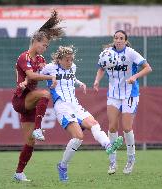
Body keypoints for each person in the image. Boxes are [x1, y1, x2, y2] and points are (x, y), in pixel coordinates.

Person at [41, 45, 123, 182]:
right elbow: (35, 75)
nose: (70, 62)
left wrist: (79, 83)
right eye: (67, 60)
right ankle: (62, 166)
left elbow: (71, 78)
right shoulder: (49, 68)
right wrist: (48, 82)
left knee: (94, 124)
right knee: (78, 137)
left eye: (71, 60)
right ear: (59, 59)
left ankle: (108, 145)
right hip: (62, 106)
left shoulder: (72, 67)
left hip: (75, 105)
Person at [11, 10, 64, 182]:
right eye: (44, 45)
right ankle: (38, 128)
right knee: (44, 93)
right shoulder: (23, 57)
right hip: (21, 100)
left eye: (47, 46)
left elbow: (43, 72)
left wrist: (63, 68)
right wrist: (48, 77)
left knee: (30, 142)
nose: (45, 48)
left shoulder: (40, 59)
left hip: (31, 102)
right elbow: (32, 76)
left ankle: (19, 172)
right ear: (35, 42)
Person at [93, 30, 152, 175]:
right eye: (116, 38)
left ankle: (131, 159)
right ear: (113, 40)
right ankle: (113, 162)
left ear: (126, 41)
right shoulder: (106, 53)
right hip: (113, 95)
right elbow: (101, 68)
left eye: (121, 38)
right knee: (112, 127)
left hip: (130, 94)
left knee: (126, 127)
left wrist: (135, 77)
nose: (118, 40)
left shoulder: (131, 53)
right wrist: (96, 81)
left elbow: (148, 68)